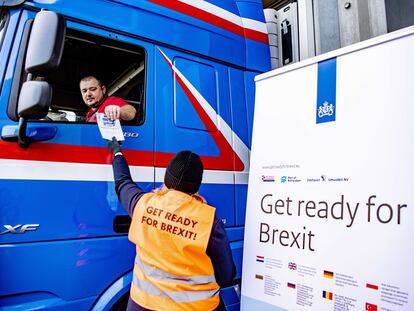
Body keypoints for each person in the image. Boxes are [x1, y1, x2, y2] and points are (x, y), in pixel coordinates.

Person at [108, 138, 236, 311]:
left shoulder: (143, 204)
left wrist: (117, 152)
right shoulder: (209, 220)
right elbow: (227, 277)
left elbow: (122, 182)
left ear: (167, 178)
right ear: (197, 186)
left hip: (142, 305)